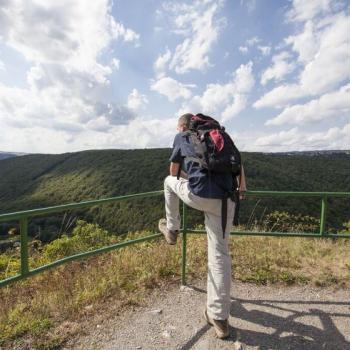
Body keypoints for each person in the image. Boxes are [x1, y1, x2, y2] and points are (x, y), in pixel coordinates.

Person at [158, 113, 246, 339]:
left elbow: (173, 172)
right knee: (220, 255)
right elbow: (238, 162)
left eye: (178, 128)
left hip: (199, 195)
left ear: (183, 126)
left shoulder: (183, 136)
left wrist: (190, 176)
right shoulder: (219, 136)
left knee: (168, 183)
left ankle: (172, 228)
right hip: (227, 199)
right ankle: (219, 318)